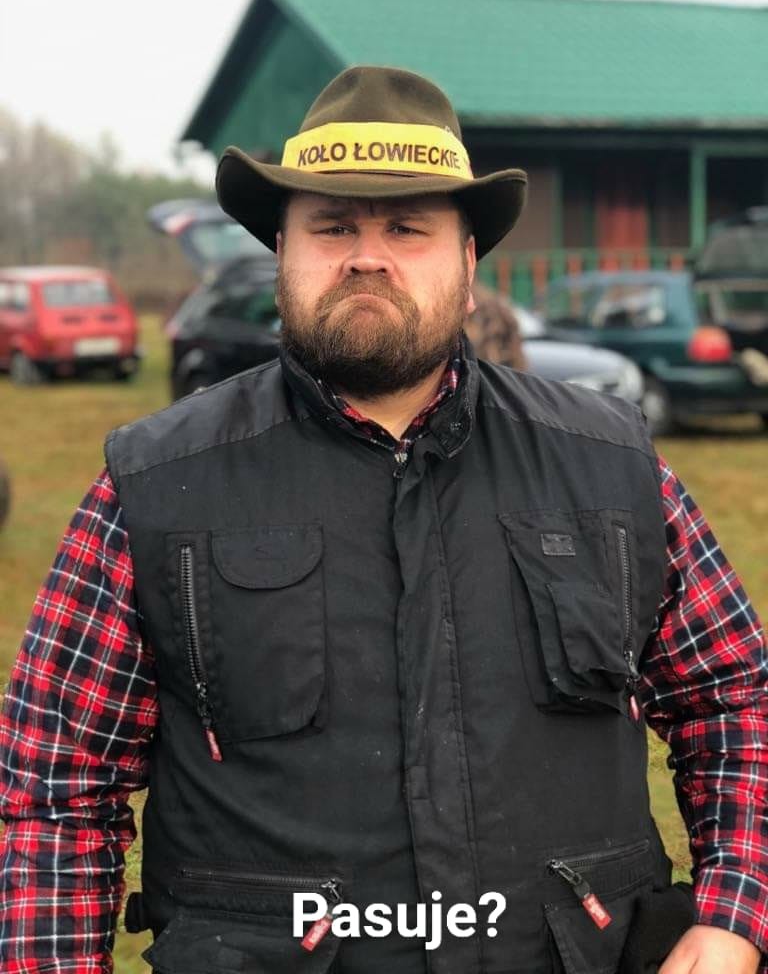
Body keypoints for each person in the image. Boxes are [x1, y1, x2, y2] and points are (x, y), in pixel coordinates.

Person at [1, 65, 766, 974]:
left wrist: (734, 914)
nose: (368, 257)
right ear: (281, 256)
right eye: (332, 227)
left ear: (468, 266)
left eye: (407, 228)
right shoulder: (155, 486)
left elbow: (738, 702)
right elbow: (53, 788)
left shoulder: (612, 466)